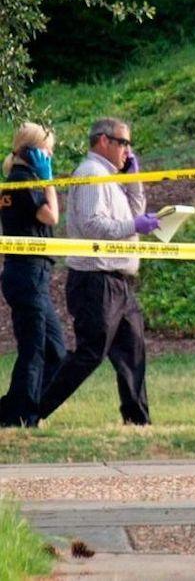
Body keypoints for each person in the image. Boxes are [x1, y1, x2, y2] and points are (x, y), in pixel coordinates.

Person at [39, 118, 161, 425]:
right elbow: (94, 225)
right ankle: (31, 409)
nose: (128, 151)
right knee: (90, 353)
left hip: (119, 281)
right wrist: (135, 225)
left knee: (133, 351)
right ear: (104, 141)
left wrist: (134, 180)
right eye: (123, 143)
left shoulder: (111, 178)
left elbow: (134, 213)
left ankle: (138, 421)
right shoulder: (91, 174)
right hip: (96, 280)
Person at [0, 123, 66, 427]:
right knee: (34, 349)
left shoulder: (16, 182)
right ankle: (18, 415)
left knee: (55, 350)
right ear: (31, 152)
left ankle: (21, 407)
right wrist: (48, 180)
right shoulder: (23, 182)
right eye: (46, 151)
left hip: (30, 274)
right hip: (27, 273)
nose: (49, 156)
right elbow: (51, 216)